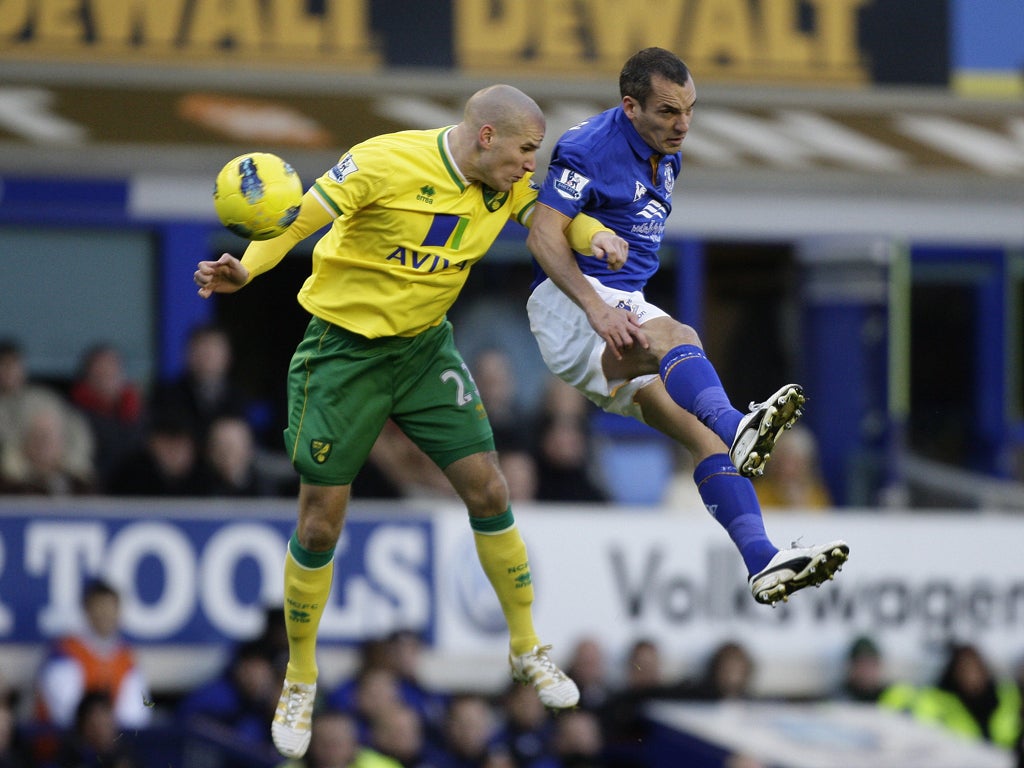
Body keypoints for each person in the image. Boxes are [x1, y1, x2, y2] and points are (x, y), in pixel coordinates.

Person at [192, 83, 624, 759]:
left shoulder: (505, 184)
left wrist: (598, 236)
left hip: (423, 349)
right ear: (486, 137)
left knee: (491, 489)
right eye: (524, 150)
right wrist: (246, 268)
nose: (528, 165)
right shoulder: (383, 162)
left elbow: (552, 219)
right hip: (342, 353)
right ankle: (300, 676)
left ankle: (526, 646)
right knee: (318, 521)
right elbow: (299, 221)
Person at [524, 47, 848, 605]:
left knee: (704, 442)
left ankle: (762, 559)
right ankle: (737, 423)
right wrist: (596, 309)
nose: (684, 125)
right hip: (574, 304)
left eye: (690, 110)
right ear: (630, 107)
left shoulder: (667, 154)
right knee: (682, 339)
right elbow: (543, 235)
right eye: (669, 112)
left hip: (619, 303)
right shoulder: (587, 149)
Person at [33, 579, 152, 732]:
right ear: (87, 609)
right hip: (63, 748)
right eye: (99, 607)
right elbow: (66, 713)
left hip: (111, 745)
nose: (105, 614)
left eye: (111, 607)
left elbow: (136, 715)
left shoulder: (126, 657)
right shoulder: (64, 651)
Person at [68, 343, 144, 487]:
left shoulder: (140, 411)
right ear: (87, 374)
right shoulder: (73, 414)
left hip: (136, 492)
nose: (106, 373)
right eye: (100, 368)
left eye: (112, 367)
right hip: (94, 489)